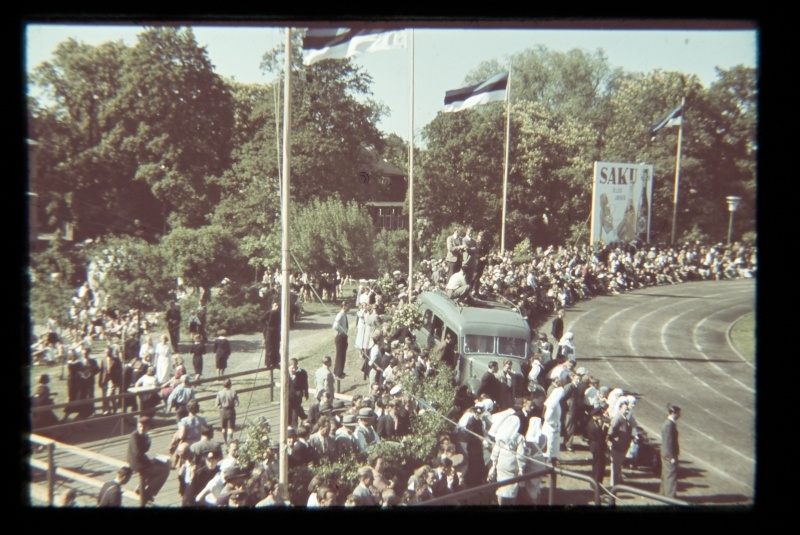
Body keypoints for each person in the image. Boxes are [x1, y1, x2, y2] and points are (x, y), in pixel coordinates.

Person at [126, 416, 169, 505]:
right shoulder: (134, 436)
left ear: (148, 427)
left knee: (161, 464)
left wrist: (148, 440)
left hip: (141, 461)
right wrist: (149, 462)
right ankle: (148, 492)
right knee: (164, 471)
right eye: (140, 426)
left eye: (144, 427)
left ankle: (140, 488)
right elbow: (137, 453)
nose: (142, 429)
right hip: (136, 463)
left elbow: (145, 450)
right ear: (137, 426)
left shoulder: (143, 436)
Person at [488, 414, 527, 505]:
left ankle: (500, 504)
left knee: (501, 485)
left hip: (502, 464)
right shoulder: (519, 437)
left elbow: (496, 451)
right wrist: (521, 468)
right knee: (513, 485)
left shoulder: (501, 435)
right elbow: (520, 455)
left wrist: (494, 464)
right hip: (512, 465)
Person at [607, 400, 634, 487]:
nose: (627, 411)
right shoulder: (618, 418)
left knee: (618, 466)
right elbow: (611, 432)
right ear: (619, 408)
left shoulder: (624, 418)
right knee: (615, 466)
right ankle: (613, 485)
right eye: (625, 409)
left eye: (627, 410)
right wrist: (612, 441)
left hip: (623, 446)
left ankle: (617, 482)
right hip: (617, 446)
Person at [660, 404, 681, 498]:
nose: (680, 415)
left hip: (666, 453)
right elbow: (668, 442)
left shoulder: (668, 423)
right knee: (671, 475)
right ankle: (670, 497)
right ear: (673, 413)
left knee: (665, 474)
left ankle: (663, 493)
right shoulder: (669, 425)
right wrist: (671, 457)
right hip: (669, 454)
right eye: (678, 413)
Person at [585, 406, 608, 486]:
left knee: (597, 464)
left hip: (596, 446)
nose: (601, 417)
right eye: (600, 415)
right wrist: (604, 428)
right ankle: (596, 483)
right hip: (597, 447)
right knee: (598, 466)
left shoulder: (593, 422)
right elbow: (600, 436)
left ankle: (595, 482)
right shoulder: (593, 425)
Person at [98, 346, 122, 415]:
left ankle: (109, 410)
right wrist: (100, 381)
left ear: (111, 352)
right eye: (105, 352)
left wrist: (118, 380)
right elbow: (102, 371)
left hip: (113, 379)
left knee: (109, 395)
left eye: (108, 352)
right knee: (107, 396)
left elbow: (119, 370)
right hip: (105, 379)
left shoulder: (116, 360)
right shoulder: (103, 359)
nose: (106, 353)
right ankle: (110, 409)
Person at [215, 378, 240, 444]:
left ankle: (225, 440)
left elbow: (217, 403)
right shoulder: (233, 392)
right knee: (230, 427)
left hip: (223, 410)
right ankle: (230, 440)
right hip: (231, 410)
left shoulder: (219, 393)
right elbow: (237, 403)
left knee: (223, 427)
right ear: (230, 385)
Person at [288, 358, 309, 427]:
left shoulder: (301, 373)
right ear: (289, 366)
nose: (294, 370)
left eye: (295, 367)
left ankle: (295, 428)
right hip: (288, 399)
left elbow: (304, 384)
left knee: (294, 415)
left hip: (297, 399)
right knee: (288, 416)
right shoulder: (285, 375)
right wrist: (293, 392)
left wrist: (305, 393)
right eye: (293, 368)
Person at [332, 302, 350, 379]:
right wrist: (342, 331)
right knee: (339, 355)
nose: (349, 308)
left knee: (343, 355)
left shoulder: (344, 314)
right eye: (348, 306)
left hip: (344, 336)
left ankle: (340, 371)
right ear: (344, 306)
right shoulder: (340, 315)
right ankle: (338, 372)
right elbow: (335, 325)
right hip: (340, 336)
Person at [263, 301, 281, 369]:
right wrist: (267, 325)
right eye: (275, 305)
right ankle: (268, 363)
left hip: (276, 331)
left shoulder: (279, 313)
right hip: (270, 332)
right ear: (272, 306)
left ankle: (275, 362)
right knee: (269, 347)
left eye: (278, 305)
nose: (277, 307)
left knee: (276, 347)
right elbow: (261, 319)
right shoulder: (269, 312)